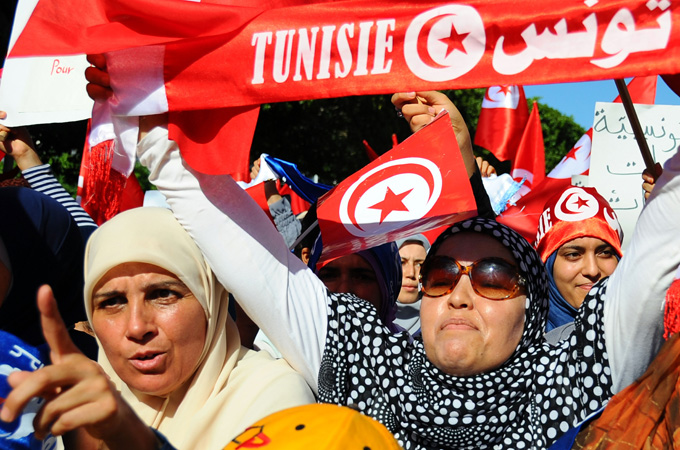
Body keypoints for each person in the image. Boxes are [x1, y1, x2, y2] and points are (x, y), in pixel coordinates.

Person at [1, 207, 314, 450]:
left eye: (163, 294)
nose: (137, 326)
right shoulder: (81, 405)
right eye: (112, 302)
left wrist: (131, 438)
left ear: (209, 299)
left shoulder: (273, 396)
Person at [533, 186, 623, 336]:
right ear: (547, 266)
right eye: (573, 255)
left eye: (605, 253)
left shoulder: (650, 333)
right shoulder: (514, 340)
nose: (592, 270)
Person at [393, 234, 430, 335]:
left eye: (419, 264)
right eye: (401, 262)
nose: (411, 273)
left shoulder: (441, 319)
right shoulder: (363, 318)